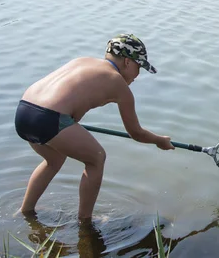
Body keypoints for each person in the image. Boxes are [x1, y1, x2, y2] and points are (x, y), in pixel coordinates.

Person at [14, 34, 174, 222]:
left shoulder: (82, 61)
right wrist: (159, 141)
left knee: (54, 159)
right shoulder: (117, 83)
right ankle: (86, 220)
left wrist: (66, 122)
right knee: (96, 158)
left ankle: (25, 210)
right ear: (128, 62)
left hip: (24, 111)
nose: (137, 76)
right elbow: (136, 133)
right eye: (139, 68)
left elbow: (70, 103)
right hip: (49, 118)